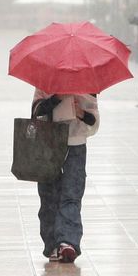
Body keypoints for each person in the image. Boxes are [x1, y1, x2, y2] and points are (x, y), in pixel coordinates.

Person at [31, 90, 99, 263]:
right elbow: (36, 111)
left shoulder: (87, 85)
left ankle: (67, 241)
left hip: (76, 145)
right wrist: (56, 99)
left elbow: (94, 121)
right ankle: (52, 244)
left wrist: (80, 113)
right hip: (49, 143)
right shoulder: (45, 82)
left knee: (72, 195)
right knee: (48, 195)